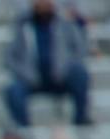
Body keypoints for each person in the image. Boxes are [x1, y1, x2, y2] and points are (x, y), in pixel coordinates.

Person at [5, 0, 91, 128]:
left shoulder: (65, 25)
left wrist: (64, 67)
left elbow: (79, 50)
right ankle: (25, 134)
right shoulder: (23, 27)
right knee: (13, 90)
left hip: (61, 77)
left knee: (80, 74)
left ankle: (80, 120)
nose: (43, 5)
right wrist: (25, 74)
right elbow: (9, 57)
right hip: (32, 80)